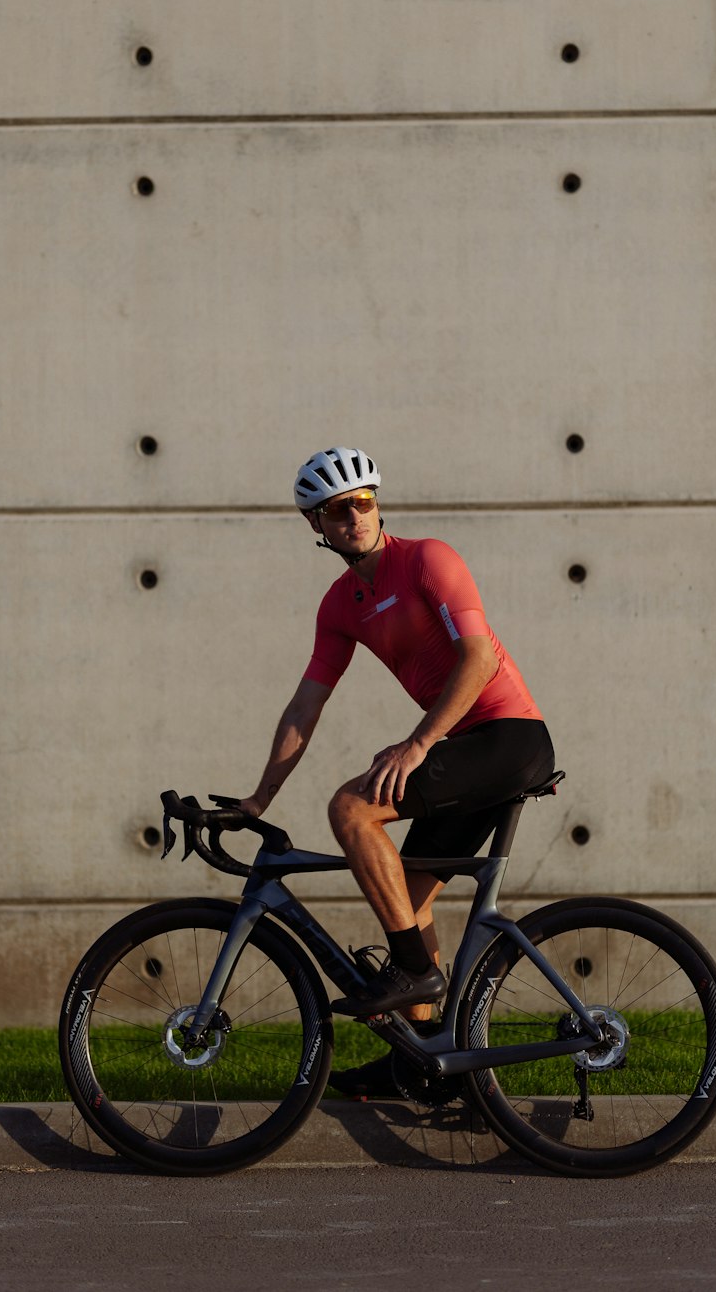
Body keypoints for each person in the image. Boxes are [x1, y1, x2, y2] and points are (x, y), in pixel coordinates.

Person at [238, 445, 555, 1098]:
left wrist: (416, 745)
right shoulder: (341, 604)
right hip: (461, 747)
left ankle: (413, 975)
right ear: (316, 527)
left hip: (505, 738)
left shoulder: (428, 560)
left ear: (377, 503)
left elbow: (478, 662)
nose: (353, 516)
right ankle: (429, 1062)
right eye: (334, 511)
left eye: (361, 502)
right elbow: (306, 704)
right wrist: (259, 798)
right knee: (406, 900)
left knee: (352, 808)